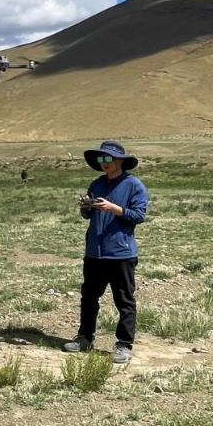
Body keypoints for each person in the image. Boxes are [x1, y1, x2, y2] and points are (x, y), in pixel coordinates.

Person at [64, 140, 148, 364]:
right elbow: (89, 217)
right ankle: (84, 338)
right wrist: (85, 208)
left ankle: (123, 344)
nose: (104, 163)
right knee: (89, 297)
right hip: (95, 252)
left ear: (120, 161)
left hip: (121, 253)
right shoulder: (97, 184)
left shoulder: (134, 185)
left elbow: (139, 216)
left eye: (108, 159)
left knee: (124, 301)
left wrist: (114, 208)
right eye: (101, 159)